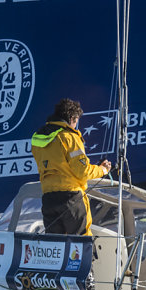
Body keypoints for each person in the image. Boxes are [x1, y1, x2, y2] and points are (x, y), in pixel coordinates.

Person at [30, 98, 112, 235]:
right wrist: (102, 170)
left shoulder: (38, 138)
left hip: (48, 198)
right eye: (76, 121)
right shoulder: (69, 137)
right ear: (73, 118)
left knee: (55, 246)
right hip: (71, 197)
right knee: (80, 243)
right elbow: (82, 171)